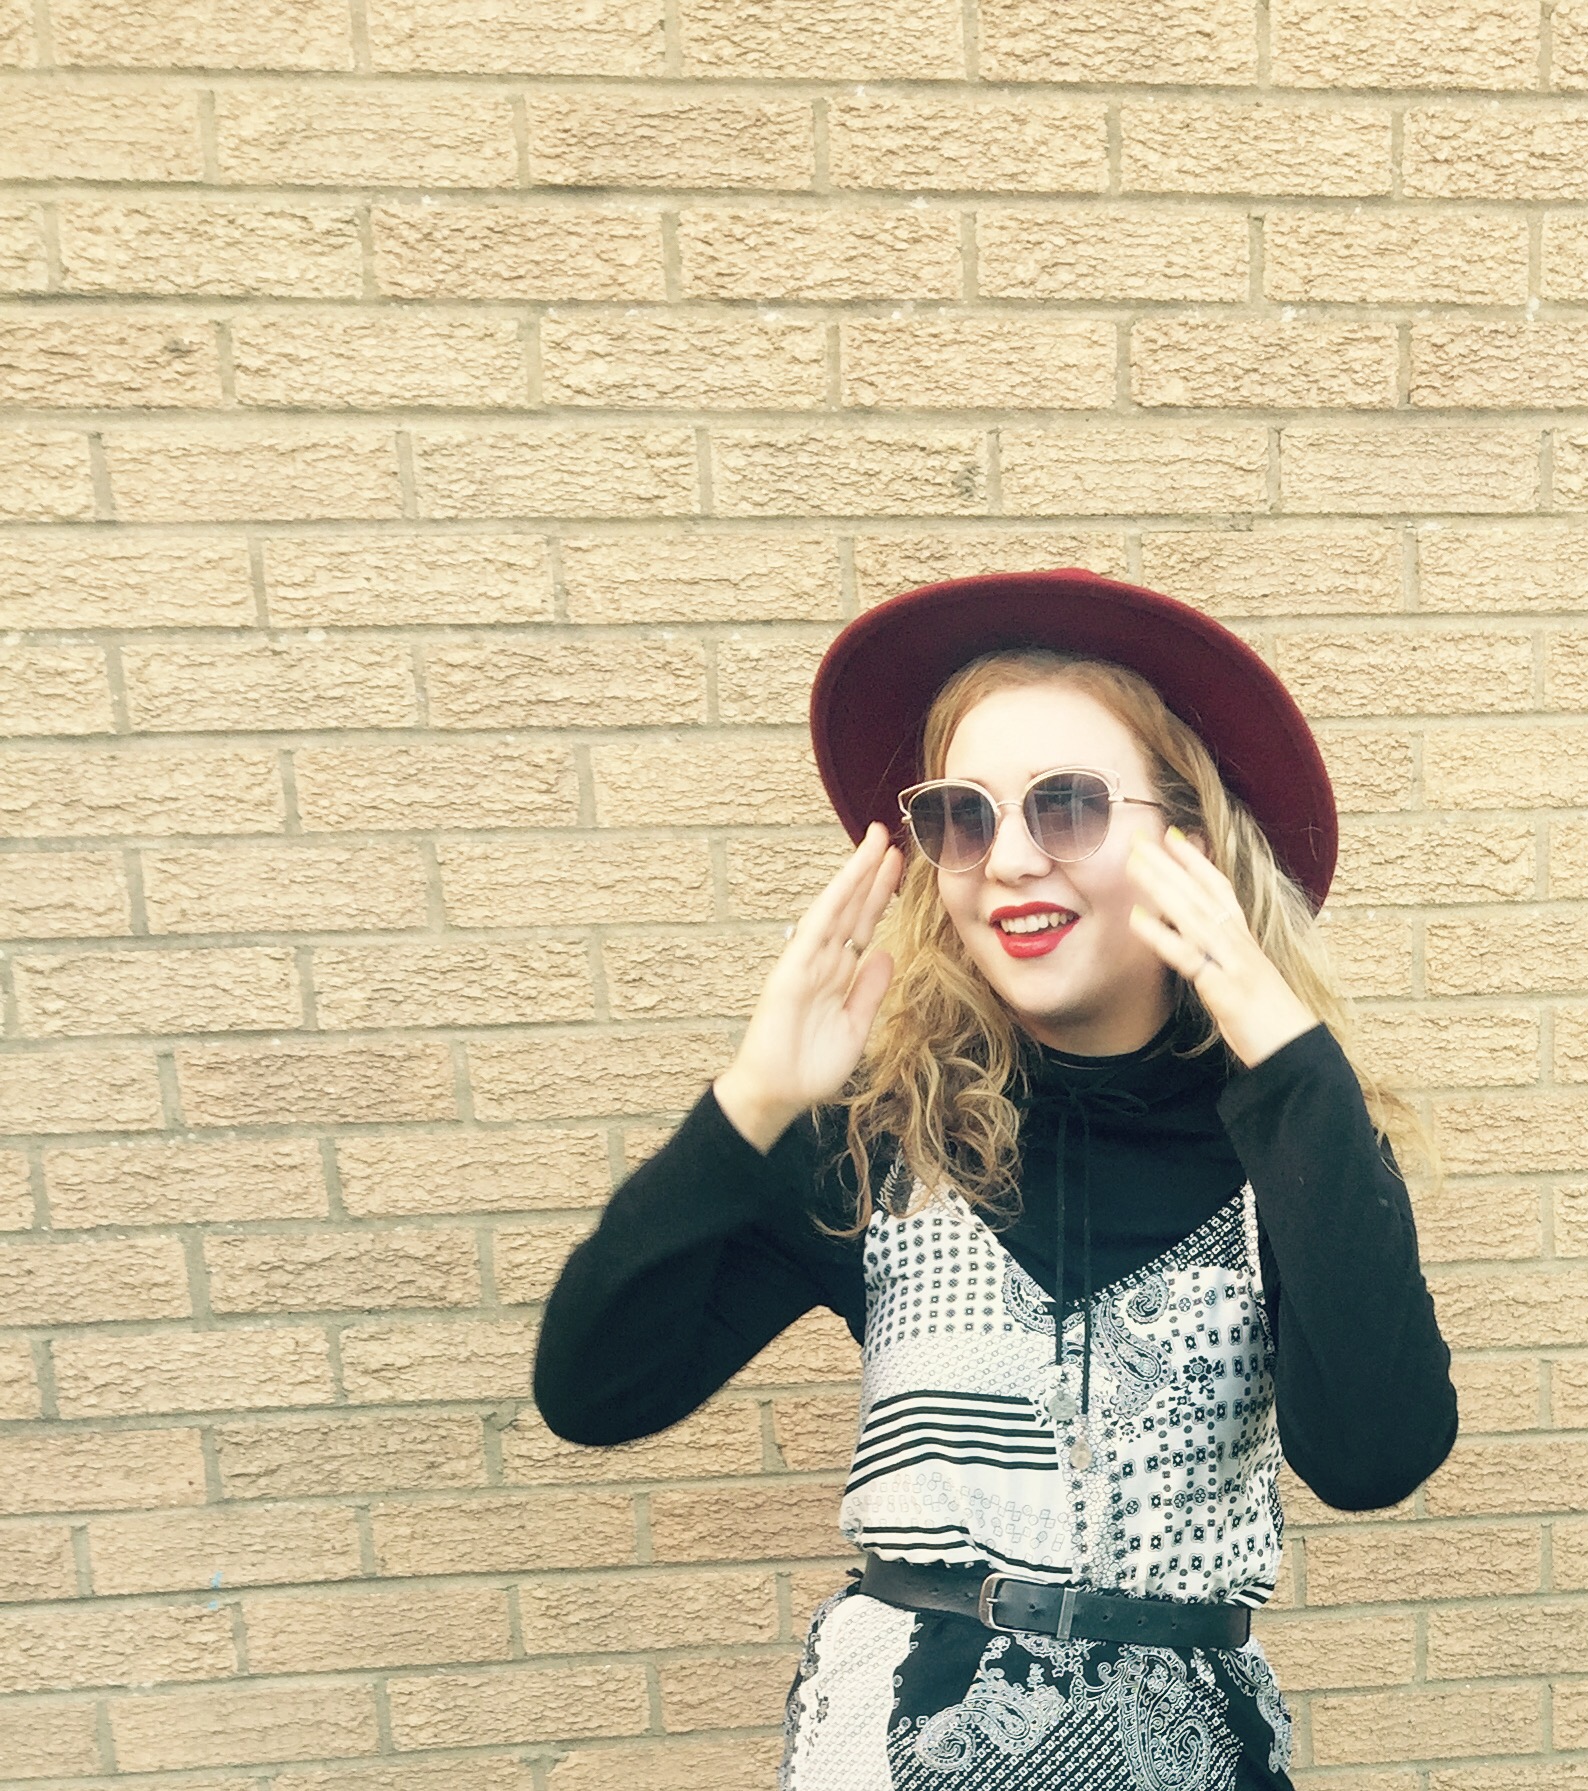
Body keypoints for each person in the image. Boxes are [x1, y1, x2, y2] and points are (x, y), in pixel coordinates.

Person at [531, 569, 1459, 1791]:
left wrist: (1293, 1073)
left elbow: (1375, 1457)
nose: (1010, 859)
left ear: (1186, 840)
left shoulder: (1284, 1143)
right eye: (964, 817)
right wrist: (752, 1100)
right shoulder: (880, 1140)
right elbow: (593, 1392)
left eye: (1066, 806)